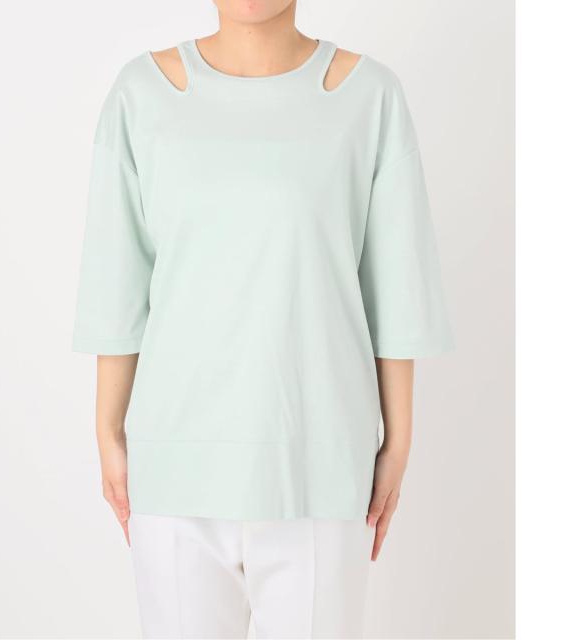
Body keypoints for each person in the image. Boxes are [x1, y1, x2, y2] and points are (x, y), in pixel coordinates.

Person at [72, 1, 453, 637]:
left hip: (320, 469)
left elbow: (397, 288)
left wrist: (398, 441)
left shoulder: (370, 97)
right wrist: (107, 430)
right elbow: (118, 280)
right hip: (175, 468)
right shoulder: (140, 94)